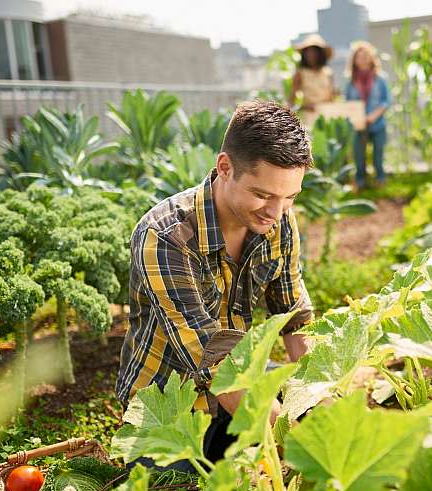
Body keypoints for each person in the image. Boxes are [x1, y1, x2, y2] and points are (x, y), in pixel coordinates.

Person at [116, 100, 314, 463]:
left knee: (312, 412)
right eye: (263, 194)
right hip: (170, 401)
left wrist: (318, 399)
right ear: (225, 167)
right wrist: (298, 444)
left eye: (290, 197)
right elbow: (214, 361)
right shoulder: (165, 236)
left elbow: (295, 318)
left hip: (240, 380)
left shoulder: (278, 221)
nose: (276, 211)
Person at [345, 41, 389, 190]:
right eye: (359, 56)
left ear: (371, 58)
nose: (362, 59)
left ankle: (380, 181)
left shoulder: (380, 79)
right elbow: (348, 104)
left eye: (365, 56)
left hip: (377, 124)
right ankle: (360, 183)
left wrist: (372, 116)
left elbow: (385, 101)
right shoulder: (351, 81)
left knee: (378, 156)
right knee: (359, 157)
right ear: (354, 60)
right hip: (358, 126)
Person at [291, 34, 335, 127]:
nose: (311, 55)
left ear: (321, 54)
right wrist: (303, 107)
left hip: (327, 116)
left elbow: (331, 97)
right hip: (309, 117)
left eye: (315, 52)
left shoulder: (328, 73)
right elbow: (291, 101)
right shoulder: (300, 73)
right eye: (308, 52)